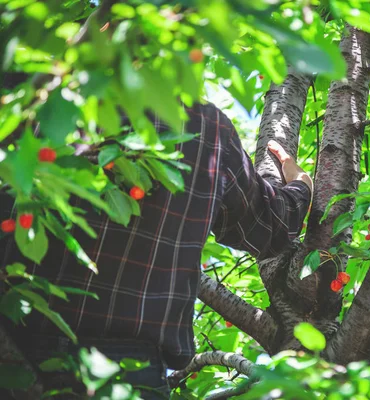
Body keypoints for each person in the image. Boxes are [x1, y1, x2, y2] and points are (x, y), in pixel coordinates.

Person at [0, 100, 312, 399]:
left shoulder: (41, 101)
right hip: (129, 372)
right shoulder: (206, 126)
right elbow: (270, 227)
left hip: (16, 346)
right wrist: (301, 184)